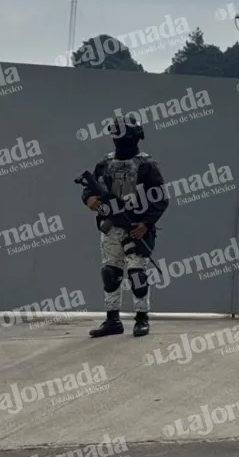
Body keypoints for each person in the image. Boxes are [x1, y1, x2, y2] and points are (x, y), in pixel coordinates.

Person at [82, 117, 168, 337]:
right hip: (111, 228)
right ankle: (113, 320)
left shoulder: (147, 165)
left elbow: (161, 198)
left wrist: (146, 222)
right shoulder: (105, 164)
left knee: (137, 273)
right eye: (117, 137)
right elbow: (91, 189)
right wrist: (90, 199)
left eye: (125, 137)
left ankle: (142, 317)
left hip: (136, 227)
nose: (121, 141)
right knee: (110, 273)